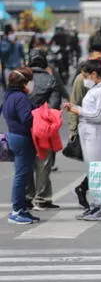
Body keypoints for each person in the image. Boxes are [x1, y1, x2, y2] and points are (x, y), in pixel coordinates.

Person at [64, 60, 101, 221]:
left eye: (86, 75)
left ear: (94, 74)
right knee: (93, 170)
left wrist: (77, 110)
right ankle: (95, 205)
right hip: (88, 131)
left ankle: (98, 206)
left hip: (96, 132)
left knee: (96, 170)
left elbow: (98, 115)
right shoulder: (97, 88)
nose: (85, 79)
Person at [27, 50, 67, 210]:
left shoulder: (23, 79)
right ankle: (42, 198)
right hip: (43, 126)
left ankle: (27, 196)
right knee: (43, 162)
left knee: (26, 164)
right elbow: (54, 106)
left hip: (24, 125)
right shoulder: (51, 80)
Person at [3, 68, 41, 224]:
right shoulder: (20, 98)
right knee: (21, 176)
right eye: (29, 80)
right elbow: (26, 118)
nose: (31, 84)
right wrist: (40, 116)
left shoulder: (9, 96)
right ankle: (17, 210)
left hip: (14, 136)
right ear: (23, 82)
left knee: (23, 175)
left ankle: (22, 208)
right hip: (22, 139)